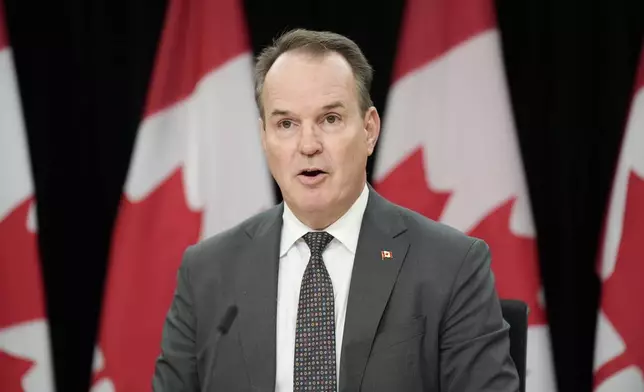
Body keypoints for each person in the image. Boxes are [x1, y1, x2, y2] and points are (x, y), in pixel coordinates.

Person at [152, 28, 520, 392]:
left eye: (329, 119)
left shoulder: (451, 266)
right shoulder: (207, 274)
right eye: (286, 124)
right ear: (264, 138)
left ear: (369, 130)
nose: (308, 145)